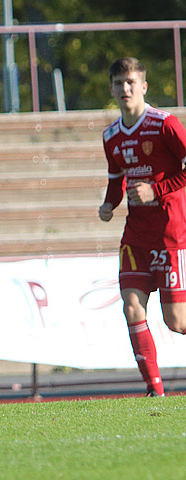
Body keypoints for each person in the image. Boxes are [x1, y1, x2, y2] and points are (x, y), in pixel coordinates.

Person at [98, 57, 186, 397]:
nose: (125, 88)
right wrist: (110, 204)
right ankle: (155, 390)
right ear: (111, 89)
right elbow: (116, 178)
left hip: (170, 235)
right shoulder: (111, 136)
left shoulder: (164, 124)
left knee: (177, 324)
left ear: (144, 86)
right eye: (119, 83)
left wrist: (156, 190)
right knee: (131, 305)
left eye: (131, 82)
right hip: (135, 237)